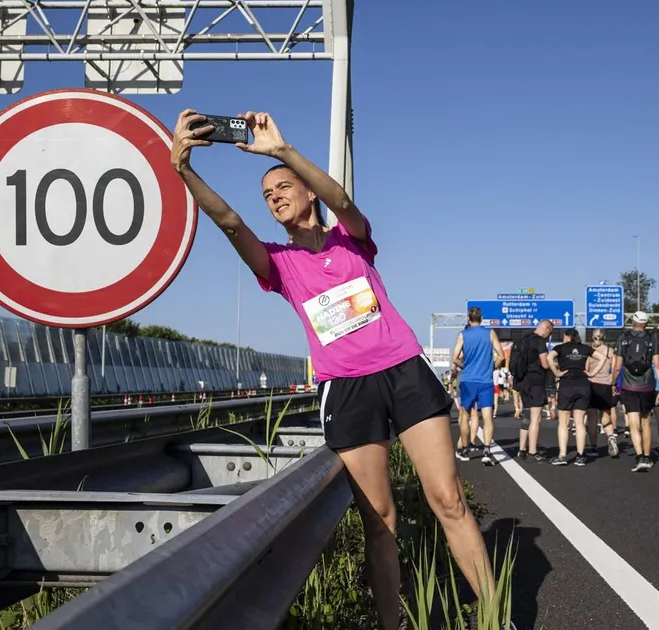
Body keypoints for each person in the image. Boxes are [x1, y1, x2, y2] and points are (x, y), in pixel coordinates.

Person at [169, 109, 507, 629]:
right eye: (267, 195)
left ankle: (494, 618)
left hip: (403, 370)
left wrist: (281, 150)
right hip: (346, 389)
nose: (274, 197)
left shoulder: (352, 240)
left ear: (309, 192)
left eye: (284, 186)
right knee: (380, 521)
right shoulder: (279, 265)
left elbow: (344, 202)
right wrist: (185, 171)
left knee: (449, 500)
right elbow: (231, 223)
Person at [452, 307, 505, 466]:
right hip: (485, 381)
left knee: (465, 415)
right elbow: (501, 356)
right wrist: (491, 367)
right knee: (487, 416)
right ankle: (487, 451)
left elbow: (455, 358)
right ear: (481, 319)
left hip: (468, 380)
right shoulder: (490, 333)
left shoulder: (463, 335)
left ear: (468, 319)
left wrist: (465, 366)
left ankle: (465, 449)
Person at [614, 312, 659, 471]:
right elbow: (657, 365)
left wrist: (613, 382)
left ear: (633, 322)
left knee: (633, 422)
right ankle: (647, 456)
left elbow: (617, 366)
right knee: (646, 421)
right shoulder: (652, 339)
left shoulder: (623, 338)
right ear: (646, 324)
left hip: (629, 385)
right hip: (647, 385)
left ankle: (639, 456)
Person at [548, 329, 593, 466]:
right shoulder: (585, 348)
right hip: (583, 385)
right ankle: (580, 456)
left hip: (567, 385)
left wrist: (557, 372)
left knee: (563, 423)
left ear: (566, 336)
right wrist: (592, 373)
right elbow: (603, 358)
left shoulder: (560, 348)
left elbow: (549, 358)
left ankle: (562, 455)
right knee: (579, 423)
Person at [514, 319, 554, 461]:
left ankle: (522, 450)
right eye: (550, 333)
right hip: (536, 382)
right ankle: (532, 452)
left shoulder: (523, 339)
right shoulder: (539, 341)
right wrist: (554, 367)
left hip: (522, 382)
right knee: (535, 418)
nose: (549, 337)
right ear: (546, 329)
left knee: (527, 416)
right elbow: (544, 363)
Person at [587, 329, 619, 458]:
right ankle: (611, 437)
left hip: (592, 385)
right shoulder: (610, 351)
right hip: (606, 385)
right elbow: (615, 369)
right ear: (604, 337)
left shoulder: (590, 352)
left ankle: (593, 447)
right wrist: (613, 383)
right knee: (606, 416)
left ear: (592, 337)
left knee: (592, 418)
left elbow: (586, 369)